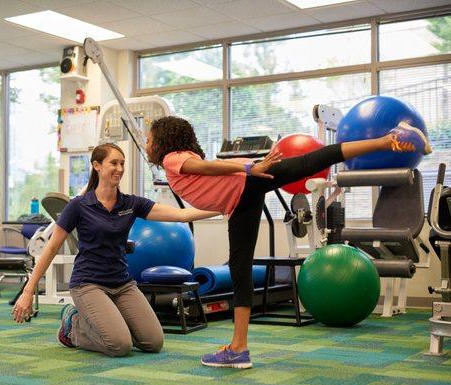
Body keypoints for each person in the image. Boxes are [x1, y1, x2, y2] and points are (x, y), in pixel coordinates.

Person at [145, 116, 432, 369]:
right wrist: (247, 168)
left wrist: (250, 168)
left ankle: (387, 139)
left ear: (163, 142)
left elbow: (206, 167)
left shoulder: (173, 158)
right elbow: (213, 175)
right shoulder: (179, 161)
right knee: (239, 269)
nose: (146, 144)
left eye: (149, 139)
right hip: (240, 201)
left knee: (312, 161)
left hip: (246, 186)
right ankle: (238, 348)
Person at [12, 143, 219, 357]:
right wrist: (28, 291)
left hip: (122, 284)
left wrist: (224, 206)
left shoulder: (131, 203)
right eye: (113, 163)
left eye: (122, 164)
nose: (119, 168)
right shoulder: (79, 206)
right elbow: (51, 247)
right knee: (119, 345)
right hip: (88, 284)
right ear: (97, 166)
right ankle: (73, 327)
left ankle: (110, 323)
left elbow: (181, 216)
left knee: (153, 342)